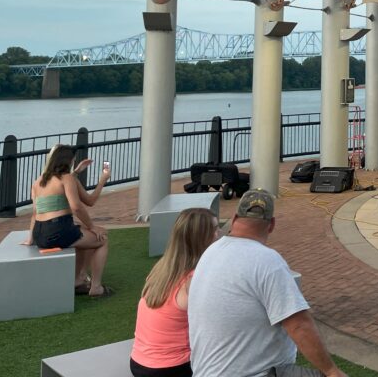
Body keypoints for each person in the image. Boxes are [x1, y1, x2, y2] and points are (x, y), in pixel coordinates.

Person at [188, 190, 346, 377]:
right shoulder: (267, 260)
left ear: (234, 217)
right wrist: (331, 371)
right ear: (271, 225)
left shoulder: (211, 251)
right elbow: (299, 325)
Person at [131, 208, 219, 377]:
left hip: (138, 363)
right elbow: (216, 328)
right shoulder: (196, 279)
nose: (219, 233)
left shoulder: (162, 268)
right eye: (214, 229)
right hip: (171, 368)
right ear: (202, 238)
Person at [23, 144, 112, 298]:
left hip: (40, 234)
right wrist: (102, 180)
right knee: (101, 239)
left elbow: (35, 213)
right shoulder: (67, 178)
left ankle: (78, 279)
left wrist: (31, 239)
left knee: (83, 234)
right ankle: (96, 287)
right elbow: (77, 207)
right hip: (58, 231)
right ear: (68, 161)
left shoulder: (38, 182)